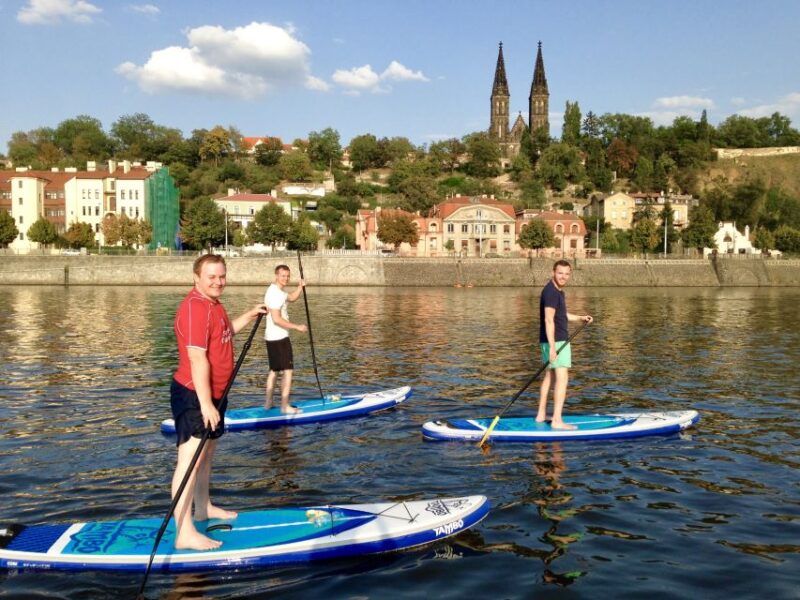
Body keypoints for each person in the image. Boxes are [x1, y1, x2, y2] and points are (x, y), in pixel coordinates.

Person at [170, 254, 265, 550]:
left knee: (206, 455)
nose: (218, 281)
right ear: (196, 277)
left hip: (215, 394)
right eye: (211, 277)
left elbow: (224, 334)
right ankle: (184, 532)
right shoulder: (195, 308)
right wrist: (206, 404)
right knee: (190, 460)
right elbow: (197, 358)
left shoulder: (214, 305)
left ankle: (203, 507)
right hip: (194, 395)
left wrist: (249, 315)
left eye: (222, 276)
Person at [536, 260, 593, 430]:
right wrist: (553, 347)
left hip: (549, 340)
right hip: (557, 340)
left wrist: (580, 318)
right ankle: (557, 420)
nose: (563, 277)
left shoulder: (555, 291)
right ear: (553, 272)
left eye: (567, 274)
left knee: (550, 377)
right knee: (562, 379)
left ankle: (541, 415)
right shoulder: (552, 293)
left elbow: (561, 314)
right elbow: (548, 319)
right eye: (560, 273)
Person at [264, 264, 308, 413]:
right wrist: (297, 327)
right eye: (283, 276)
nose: (286, 278)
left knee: (274, 370)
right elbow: (277, 319)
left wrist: (300, 287)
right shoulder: (276, 294)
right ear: (276, 275)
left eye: (288, 276)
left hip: (271, 337)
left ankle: (268, 403)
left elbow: (291, 297)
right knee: (288, 371)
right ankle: (284, 406)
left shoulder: (275, 290)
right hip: (280, 337)